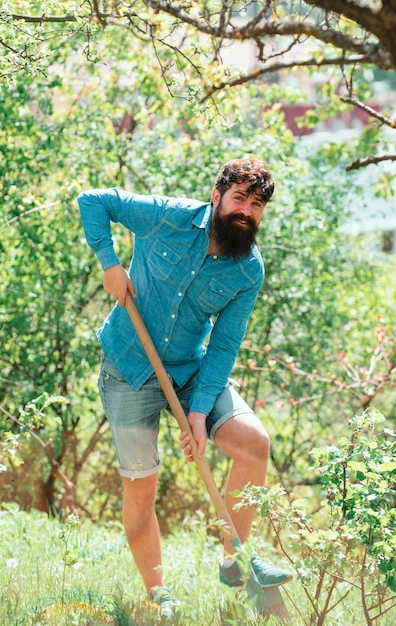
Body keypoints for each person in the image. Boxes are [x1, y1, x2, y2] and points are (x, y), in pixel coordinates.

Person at [78, 157, 292, 619]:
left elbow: (224, 344)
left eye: (256, 205)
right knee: (141, 487)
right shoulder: (168, 216)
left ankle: (235, 560)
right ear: (216, 196)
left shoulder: (247, 270)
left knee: (254, 443)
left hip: (191, 369)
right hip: (129, 369)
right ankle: (158, 595)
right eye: (239, 198)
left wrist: (197, 413)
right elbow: (93, 201)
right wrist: (110, 264)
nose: (246, 211)